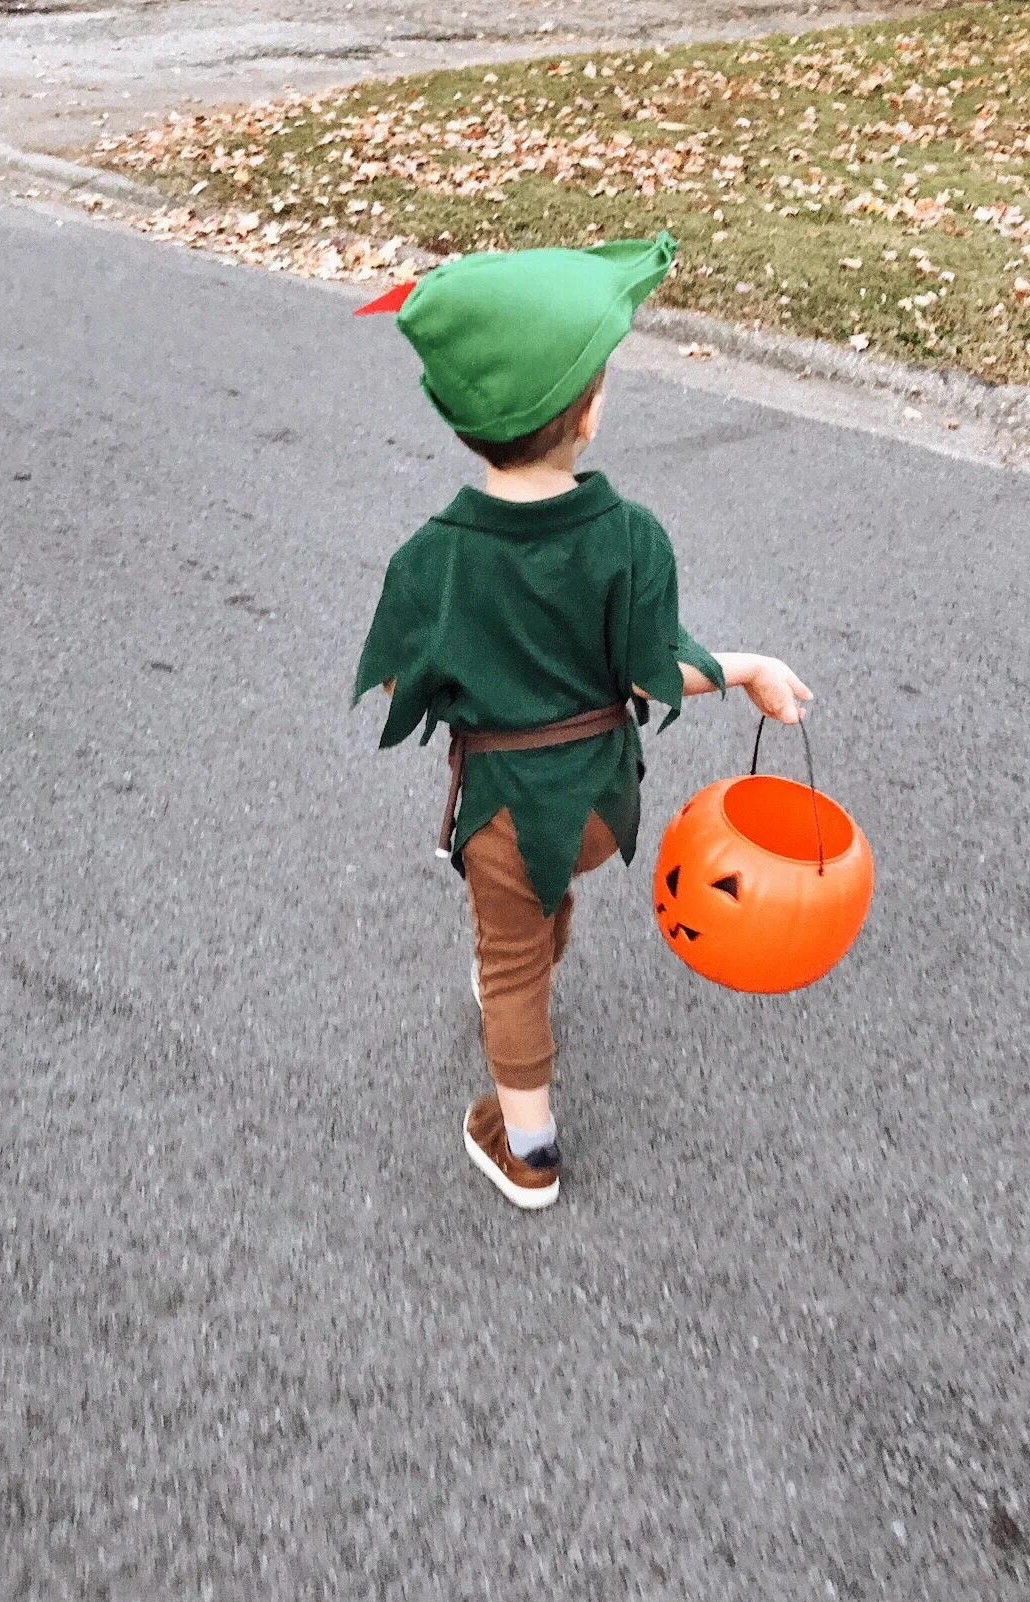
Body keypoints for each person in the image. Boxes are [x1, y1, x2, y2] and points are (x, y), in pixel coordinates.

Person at [353, 233, 810, 1211]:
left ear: (459, 423)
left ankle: (528, 1149)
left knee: (509, 966)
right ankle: (539, 932)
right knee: (544, 887)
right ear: (589, 412)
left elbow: (398, 685)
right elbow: (656, 669)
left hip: (506, 812)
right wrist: (749, 668)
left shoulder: (430, 559)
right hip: (604, 803)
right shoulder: (628, 537)